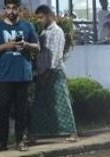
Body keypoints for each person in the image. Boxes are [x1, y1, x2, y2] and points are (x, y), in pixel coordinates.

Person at [0, 0, 39, 152]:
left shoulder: (27, 26)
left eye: (14, 8)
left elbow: (37, 47)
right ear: (5, 9)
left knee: (21, 111)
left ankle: (19, 141)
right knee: (3, 111)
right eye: (8, 8)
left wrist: (26, 45)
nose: (11, 11)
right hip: (5, 77)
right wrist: (7, 46)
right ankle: (2, 143)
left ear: (19, 9)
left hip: (24, 76)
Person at [31, 5, 79, 142]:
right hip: (43, 72)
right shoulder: (44, 32)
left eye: (41, 17)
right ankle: (38, 133)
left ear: (49, 16)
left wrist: (48, 72)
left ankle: (72, 133)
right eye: (38, 18)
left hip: (54, 72)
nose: (39, 20)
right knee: (41, 104)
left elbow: (56, 54)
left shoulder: (57, 32)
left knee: (61, 103)